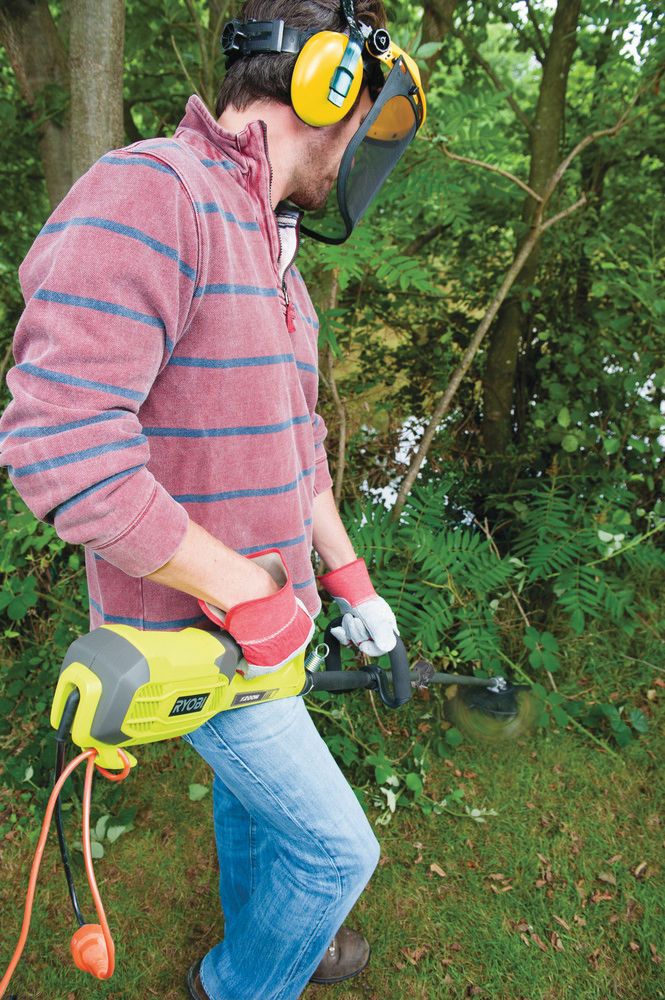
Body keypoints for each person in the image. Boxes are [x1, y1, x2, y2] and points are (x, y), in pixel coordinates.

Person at [0, 0, 426, 996]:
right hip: (197, 639)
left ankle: (278, 933)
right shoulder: (155, 194)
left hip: (269, 634)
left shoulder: (278, 265)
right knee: (335, 851)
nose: (359, 154)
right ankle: (238, 981)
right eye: (364, 122)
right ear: (327, 87)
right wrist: (244, 593)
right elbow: (63, 447)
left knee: (249, 808)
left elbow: (298, 445)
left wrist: (349, 582)